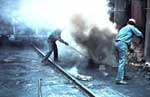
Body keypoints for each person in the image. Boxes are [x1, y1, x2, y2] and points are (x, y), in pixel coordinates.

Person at [115, 18, 143, 85]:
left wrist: (129, 48)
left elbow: (124, 38)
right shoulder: (131, 27)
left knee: (122, 60)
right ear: (134, 24)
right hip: (122, 44)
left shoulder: (123, 28)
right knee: (122, 61)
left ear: (128, 22)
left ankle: (123, 75)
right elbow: (139, 34)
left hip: (117, 44)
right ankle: (119, 79)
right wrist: (142, 37)